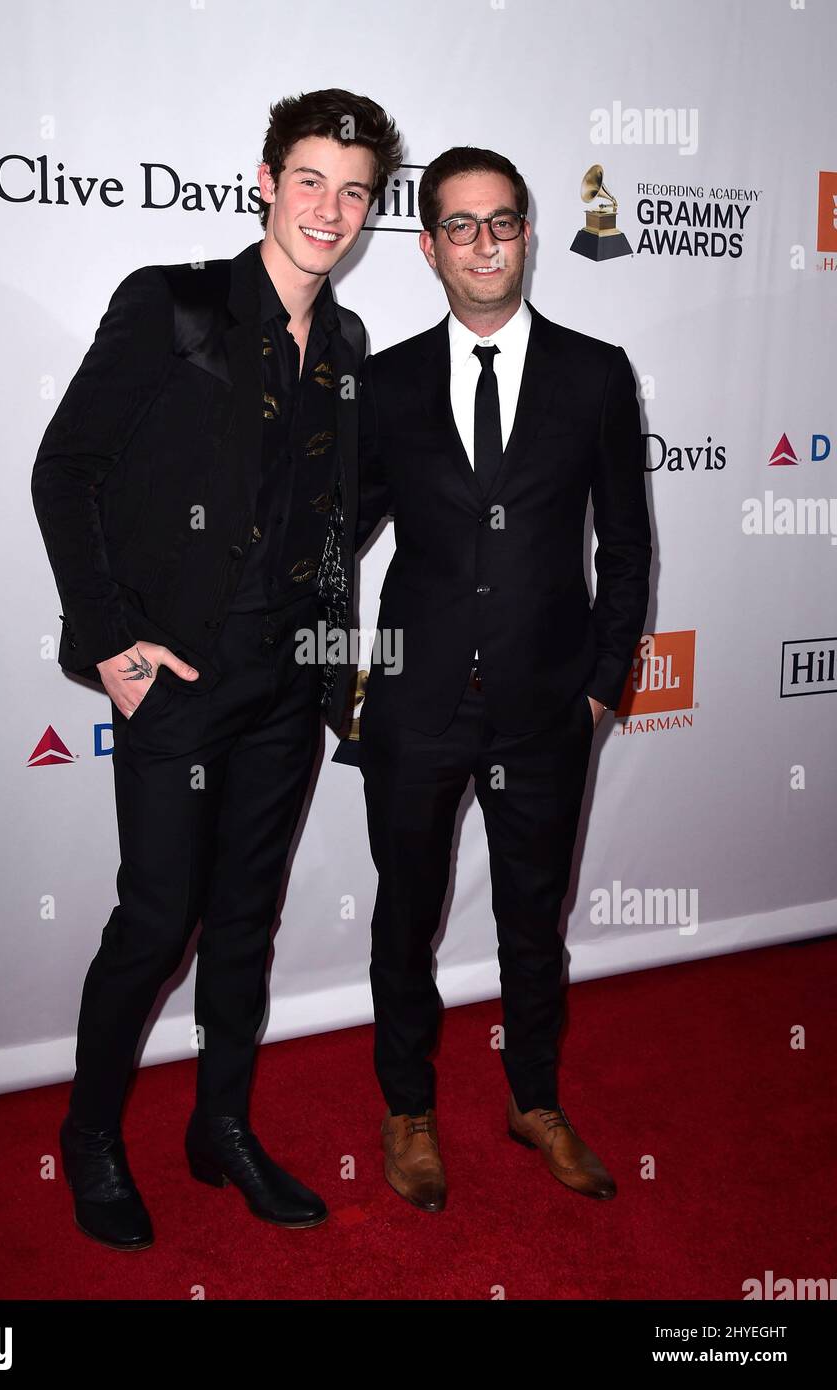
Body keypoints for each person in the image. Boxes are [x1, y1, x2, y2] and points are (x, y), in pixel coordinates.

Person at [31, 88, 402, 1248]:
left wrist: (337, 669)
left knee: (246, 917)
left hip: (286, 682)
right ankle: (89, 1134)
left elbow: (339, 519)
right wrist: (112, 645)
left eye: (353, 192)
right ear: (263, 181)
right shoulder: (175, 304)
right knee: (155, 920)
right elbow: (65, 470)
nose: (329, 210)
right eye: (309, 182)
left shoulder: (346, 344)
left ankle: (220, 1127)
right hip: (179, 680)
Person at [356, 146, 652, 1212]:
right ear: (429, 246)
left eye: (504, 222)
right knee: (406, 913)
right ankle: (408, 1108)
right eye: (461, 226)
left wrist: (599, 685)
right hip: (415, 706)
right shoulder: (381, 382)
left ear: (529, 233)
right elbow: (331, 540)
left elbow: (626, 547)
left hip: (544, 710)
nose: (486, 243)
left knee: (534, 918)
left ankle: (534, 1098)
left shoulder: (594, 371)